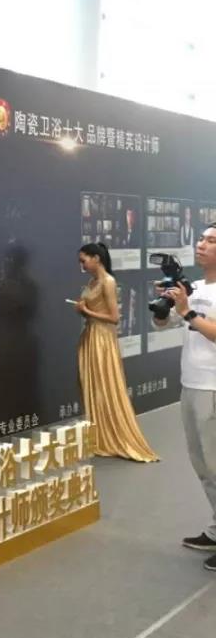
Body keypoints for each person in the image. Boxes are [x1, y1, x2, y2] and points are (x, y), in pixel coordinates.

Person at [156, 224, 216, 573]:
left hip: (212, 387)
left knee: (215, 465)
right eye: (202, 238)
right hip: (190, 383)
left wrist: (186, 311)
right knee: (203, 465)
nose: (202, 244)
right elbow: (163, 325)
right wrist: (165, 307)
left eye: (211, 240)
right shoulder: (193, 288)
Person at [76, 242, 159, 462]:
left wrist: (87, 311)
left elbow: (114, 318)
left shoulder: (108, 282)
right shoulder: (92, 282)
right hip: (91, 336)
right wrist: (84, 311)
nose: (82, 266)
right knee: (94, 386)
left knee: (105, 384)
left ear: (96, 258)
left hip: (103, 340)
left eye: (84, 260)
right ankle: (99, 435)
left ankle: (112, 434)